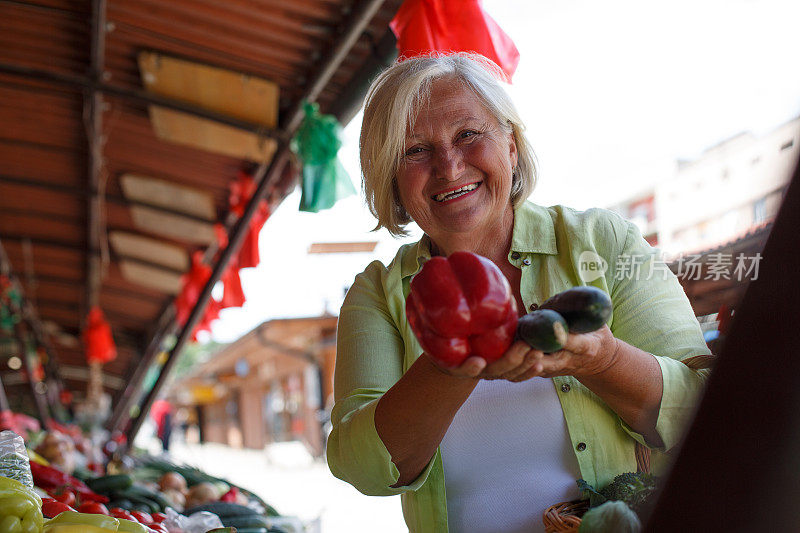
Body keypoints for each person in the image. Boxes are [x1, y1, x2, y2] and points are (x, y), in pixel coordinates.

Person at [326, 53, 711, 533]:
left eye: (468, 134)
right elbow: (361, 467)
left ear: (510, 143)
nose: (448, 166)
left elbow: (710, 412)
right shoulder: (377, 294)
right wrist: (449, 364)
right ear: (391, 179)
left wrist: (602, 361)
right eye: (414, 151)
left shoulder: (603, 243)